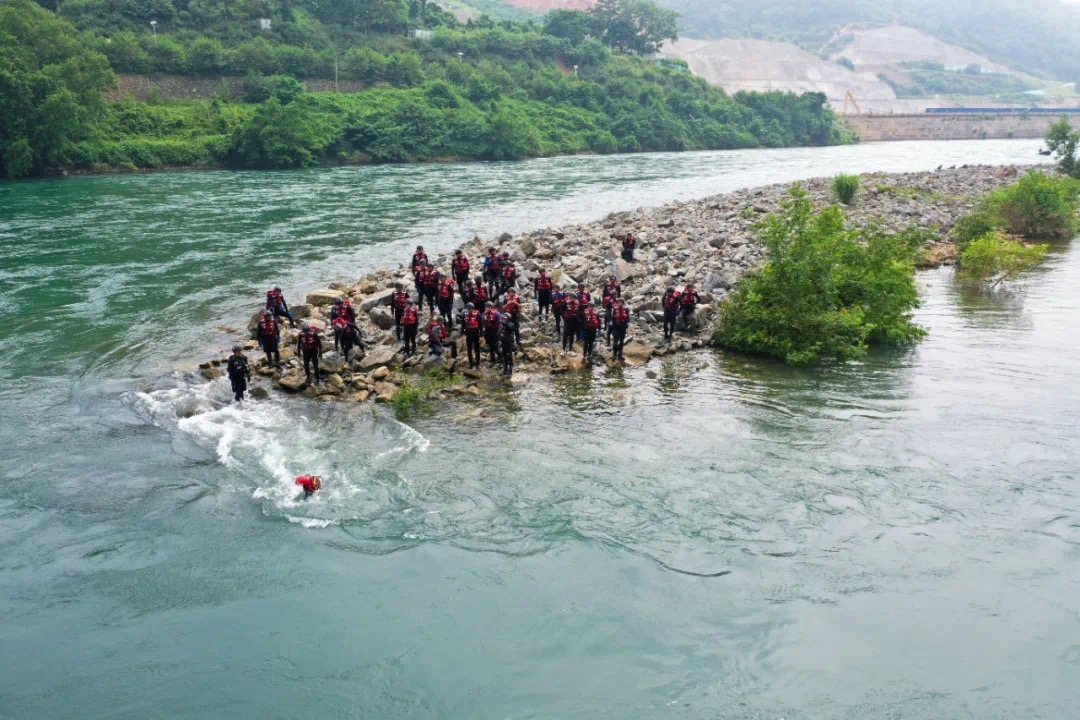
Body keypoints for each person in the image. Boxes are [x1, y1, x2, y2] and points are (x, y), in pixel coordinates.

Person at [462, 302, 483, 369]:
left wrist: (481, 336)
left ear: (473, 308)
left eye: (471, 308)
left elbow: (481, 326)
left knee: (477, 350)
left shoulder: (478, 315)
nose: (469, 310)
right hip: (469, 335)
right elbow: (463, 325)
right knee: (469, 350)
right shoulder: (464, 315)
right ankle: (471, 363)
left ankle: (477, 364)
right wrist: (462, 335)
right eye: (468, 309)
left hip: (476, 334)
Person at [498, 312, 516, 378]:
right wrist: (499, 340)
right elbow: (499, 333)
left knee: (509, 356)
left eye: (505, 319)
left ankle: (510, 369)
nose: (503, 320)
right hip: (503, 342)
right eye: (503, 319)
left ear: (508, 319)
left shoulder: (510, 324)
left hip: (509, 343)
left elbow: (511, 328)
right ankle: (505, 367)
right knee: (504, 355)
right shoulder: (502, 325)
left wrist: (504, 324)